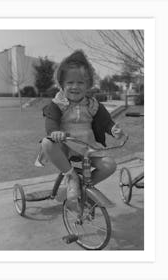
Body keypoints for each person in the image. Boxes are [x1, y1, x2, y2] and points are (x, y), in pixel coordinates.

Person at [36, 50, 124, 201]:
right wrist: (55, 132)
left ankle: (83, 186)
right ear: (61, 85)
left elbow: (105, 121)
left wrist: (113, 129)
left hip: (87, 146)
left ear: (88, 85)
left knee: (110, 165)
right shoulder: (58, 104)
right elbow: (51, 120)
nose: (75, 86)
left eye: (80, 82)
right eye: (70, 83)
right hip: (65, 145)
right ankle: (71, 177)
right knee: (46, 143)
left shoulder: (92, 105)